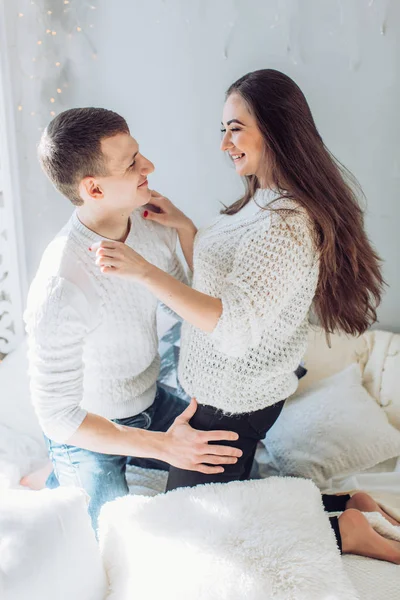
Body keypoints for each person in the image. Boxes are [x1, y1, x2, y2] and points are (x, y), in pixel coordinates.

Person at [90, 70, 400, 563]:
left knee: (197, 533)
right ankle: (344, 506)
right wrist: (189, 230)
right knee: (215, 503)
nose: (224, 144)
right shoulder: (259, 200)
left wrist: (145, 272)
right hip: (218, 394)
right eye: (223, 130)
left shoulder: (286, 225)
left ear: (276, 128)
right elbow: (228, 286)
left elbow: (233, 324)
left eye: (235, 128)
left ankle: (348, 534)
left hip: (231, 404)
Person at [23, 107, 242, 530]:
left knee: (234, 464)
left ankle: (55, 479)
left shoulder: (150, 224)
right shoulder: (60, 283)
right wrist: (163, 447)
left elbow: (195, 306)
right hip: (88, 430)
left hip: (149, 399)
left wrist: (185, 230)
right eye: (131, 164)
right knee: (115, 539)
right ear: (94, 188)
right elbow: (58, 416)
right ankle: (55, 478)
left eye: (139, 154)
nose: (149, 167)